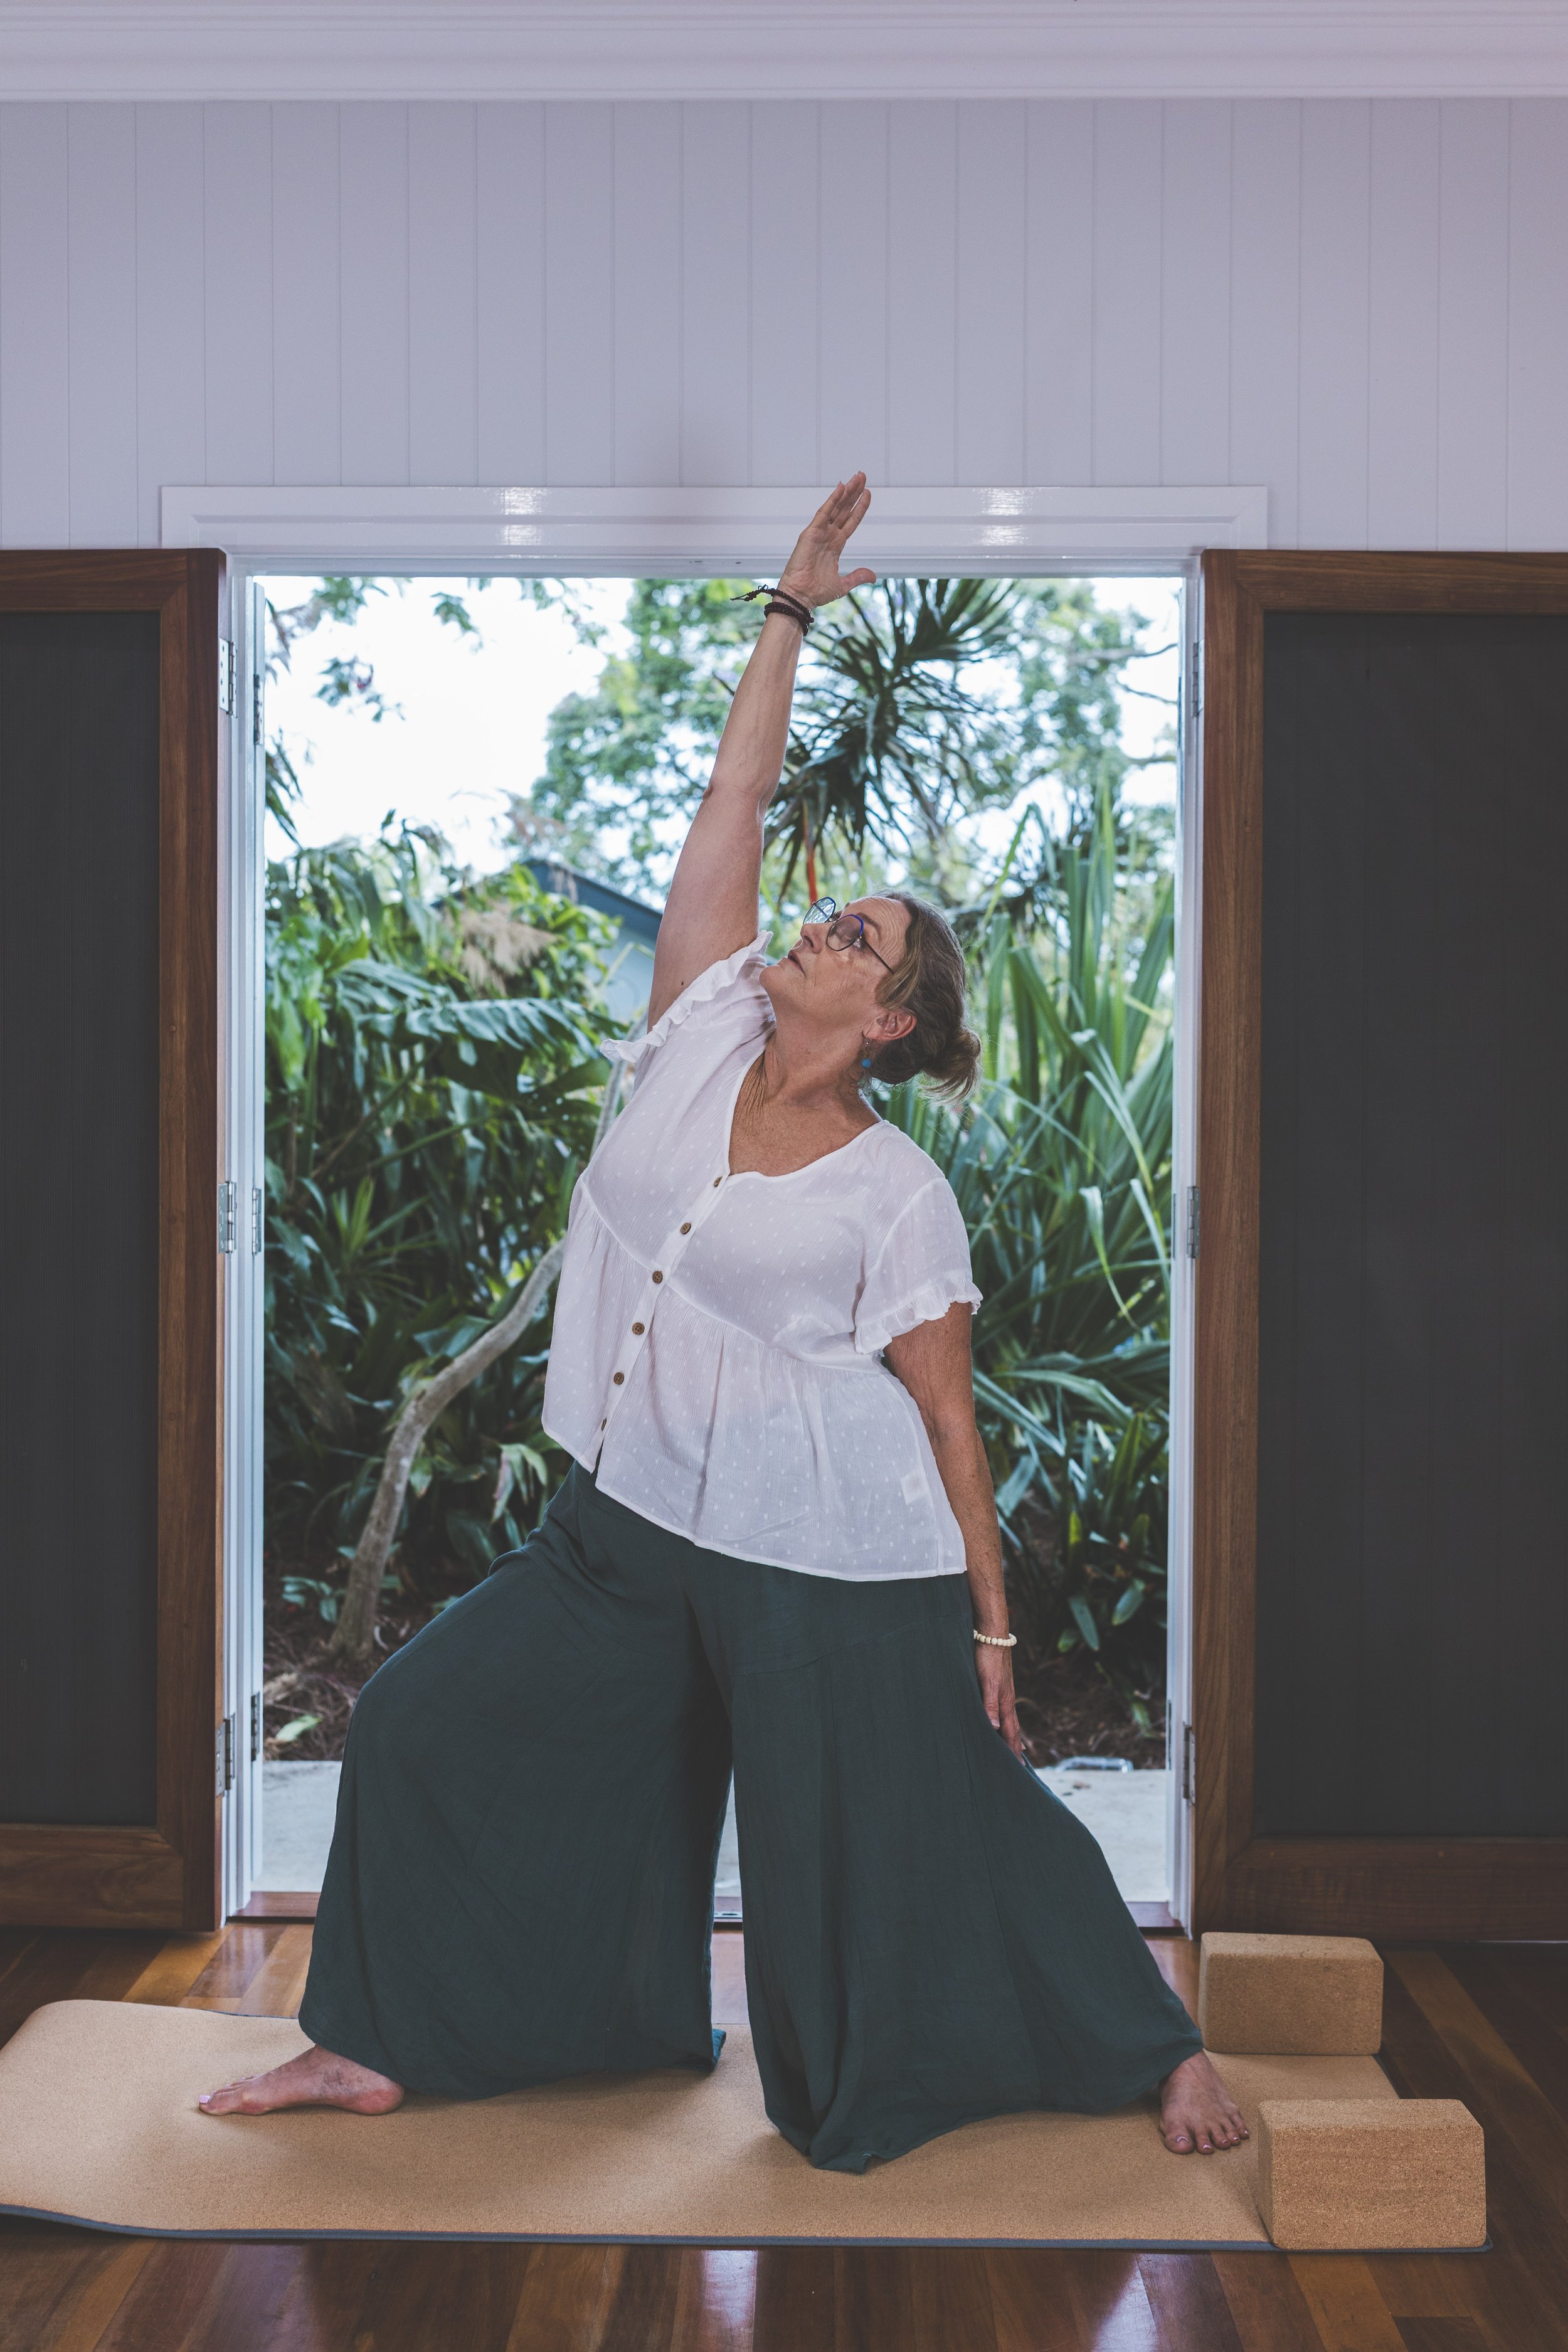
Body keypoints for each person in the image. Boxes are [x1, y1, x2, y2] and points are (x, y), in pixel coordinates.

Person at [201, 477, 1247, 2169]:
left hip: (826, 1554)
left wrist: (987, 1634)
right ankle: (378, 2039)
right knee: (422, 1722)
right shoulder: (697, 1029)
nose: (820, 921)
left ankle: (1148, 2042)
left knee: (924, 1828)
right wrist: (789, 610)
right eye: (832, 909)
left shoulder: (894, 1193)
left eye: (858, 934)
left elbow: (948, 1417)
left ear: (889, 1017)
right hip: (625, 1526)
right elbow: (733, 794)